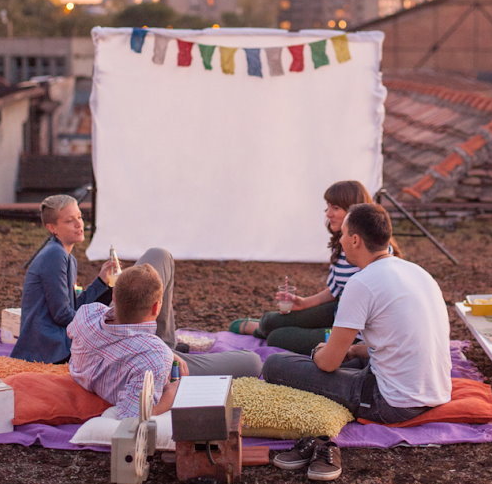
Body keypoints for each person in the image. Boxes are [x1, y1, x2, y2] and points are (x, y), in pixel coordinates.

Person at [263, 203, 452, 428]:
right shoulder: (418, 272)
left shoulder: (362, 283)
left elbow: (328, 364)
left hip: (393, 404)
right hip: (437, 392)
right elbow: (397, 342)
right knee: (353, 356)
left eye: (343, 234)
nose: (340, 240)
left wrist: (319, 352)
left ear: (355, 240)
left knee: (275, 365)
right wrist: (352, 350)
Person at [68, 265, 262, 418]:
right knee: (252, 361)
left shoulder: (87, 313)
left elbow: (73, 332)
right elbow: (132, 417)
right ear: (156, 308)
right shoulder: (155, 357)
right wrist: (172, 393)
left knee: (160, 255)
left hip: (138, 348)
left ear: (114, 296)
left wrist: (164, 351)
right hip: (152, 360)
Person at [230, 181, 383, 355]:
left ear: (354, 212)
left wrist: (342, 341)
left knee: (277, 338)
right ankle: (263, 327)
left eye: (335, 208)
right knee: (270, 321)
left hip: (353, 331)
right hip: (337, 311)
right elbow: (335, 290)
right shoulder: (341, 243)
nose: (328, 213)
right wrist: (304, 303)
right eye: (327, 207)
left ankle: (263, 331)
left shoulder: (372, 253)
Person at [12, 194, 117, 363]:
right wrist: (98, 323)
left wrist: (101, 281)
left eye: (79, 217)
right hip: (48, 346)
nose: (79, 224)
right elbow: (62, 315)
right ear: (52, 228)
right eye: (69, 221)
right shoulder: (54, 255)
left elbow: (72, 307)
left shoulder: (66, 256)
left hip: (56, 339)